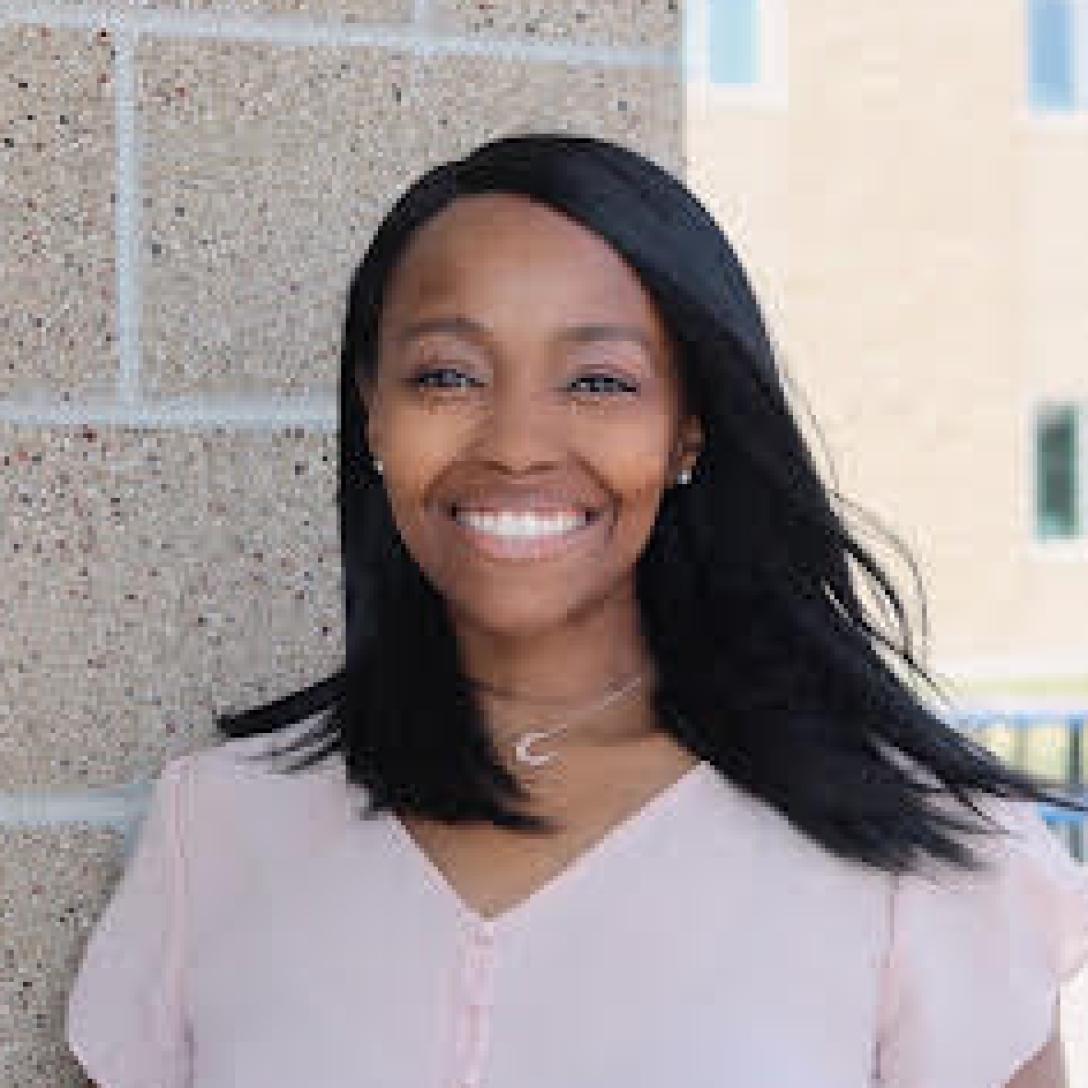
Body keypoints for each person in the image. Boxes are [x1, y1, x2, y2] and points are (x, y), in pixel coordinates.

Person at [66, 132, 1088, 1087]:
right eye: (446, 374)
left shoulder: (924, 864)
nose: (515, 442)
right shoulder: (221, 826)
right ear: (371, 408)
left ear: (688, 429)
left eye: (598, 380)